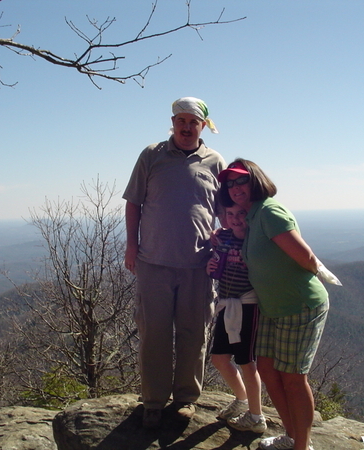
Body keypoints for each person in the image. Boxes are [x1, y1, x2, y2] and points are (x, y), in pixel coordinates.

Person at [123, 97, 225, 429]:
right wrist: (131, 245)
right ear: (172, 122)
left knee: (193, 334)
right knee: (154, 334)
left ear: (203, 126)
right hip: (153, 261)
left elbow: (224, 213)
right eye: (181, 120)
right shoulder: (152, 156)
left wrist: (228, 248)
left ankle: (185, 400)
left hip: (199, 265)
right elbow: (134, 203)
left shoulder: (214, 162)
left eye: (193, 122)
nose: (186, 127)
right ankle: (153, 401)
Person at [217, 159, 329, 450]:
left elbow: (306, 258)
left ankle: (301, 447)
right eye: (230, 183)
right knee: (266, 369)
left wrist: (290, 283)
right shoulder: (251, 216)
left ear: (254, 179)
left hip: (298, 306)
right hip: (271, 308)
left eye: (240, 180)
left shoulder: (269, 211)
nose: (235, 187)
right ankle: (291, 437)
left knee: (293, 378)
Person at [208, 203, 266, 433]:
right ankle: (242, 400)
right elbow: (215, 267)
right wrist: (209, 267)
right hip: (226, 304)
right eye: (229, 214)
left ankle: (256, 416)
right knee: (219, 359)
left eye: (240, 213)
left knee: (246, 362)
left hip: (248, 306)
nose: (234, 219)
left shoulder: (255, 239)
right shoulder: (223, 238)